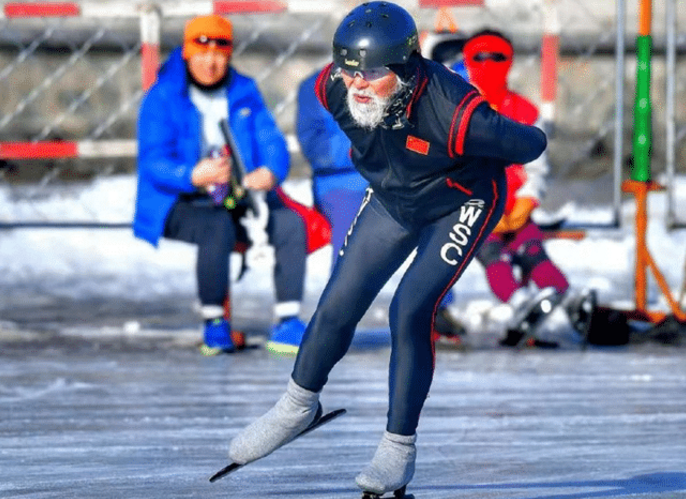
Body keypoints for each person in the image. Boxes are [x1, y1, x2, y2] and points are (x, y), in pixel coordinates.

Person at [225, 3, 546, 497]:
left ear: (405, 67)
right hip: (394, 198)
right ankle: (296, 405)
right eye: (349, 67)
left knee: (409, 309)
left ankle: (398, 448)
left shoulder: (458, 113)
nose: (356, 83)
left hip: (461, 201)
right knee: (339, 301)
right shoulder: (332, 87)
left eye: (372, 72)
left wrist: (495, 136)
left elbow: (532, 143)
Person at [133, 14, 308, 356]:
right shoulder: (163, 96)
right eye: (202, 53)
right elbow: (152, 161)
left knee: (290, 223)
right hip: (181, 199)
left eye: (219, 54)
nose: (210, 63)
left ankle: (288, 321)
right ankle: (214, 322)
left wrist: (270, 172)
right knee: (215, 228)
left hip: (236, 194)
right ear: (187, 54)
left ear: (229, 55)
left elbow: (271, 140)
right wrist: (191, 175)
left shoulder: (244, 91)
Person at [296, 68, 466, 341]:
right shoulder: (315, 84)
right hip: (342, 179)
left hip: (396, 172)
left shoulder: (398, 77)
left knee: (436, 218)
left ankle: (435, 308)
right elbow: (316, 146)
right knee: (351, 234)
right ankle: (336, 314)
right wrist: (368, 143)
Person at [463, 29, 590, 347]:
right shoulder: (456, 108)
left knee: (533, 251)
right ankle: (520, 302)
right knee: (493, 255)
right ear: (468, 61)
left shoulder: (523, 110)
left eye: (498, 57)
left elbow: (537, 167)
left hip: (514, 206)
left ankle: (564, 299)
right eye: (480, 57)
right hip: (473, 208)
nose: (488, 64)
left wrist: (526, 202)